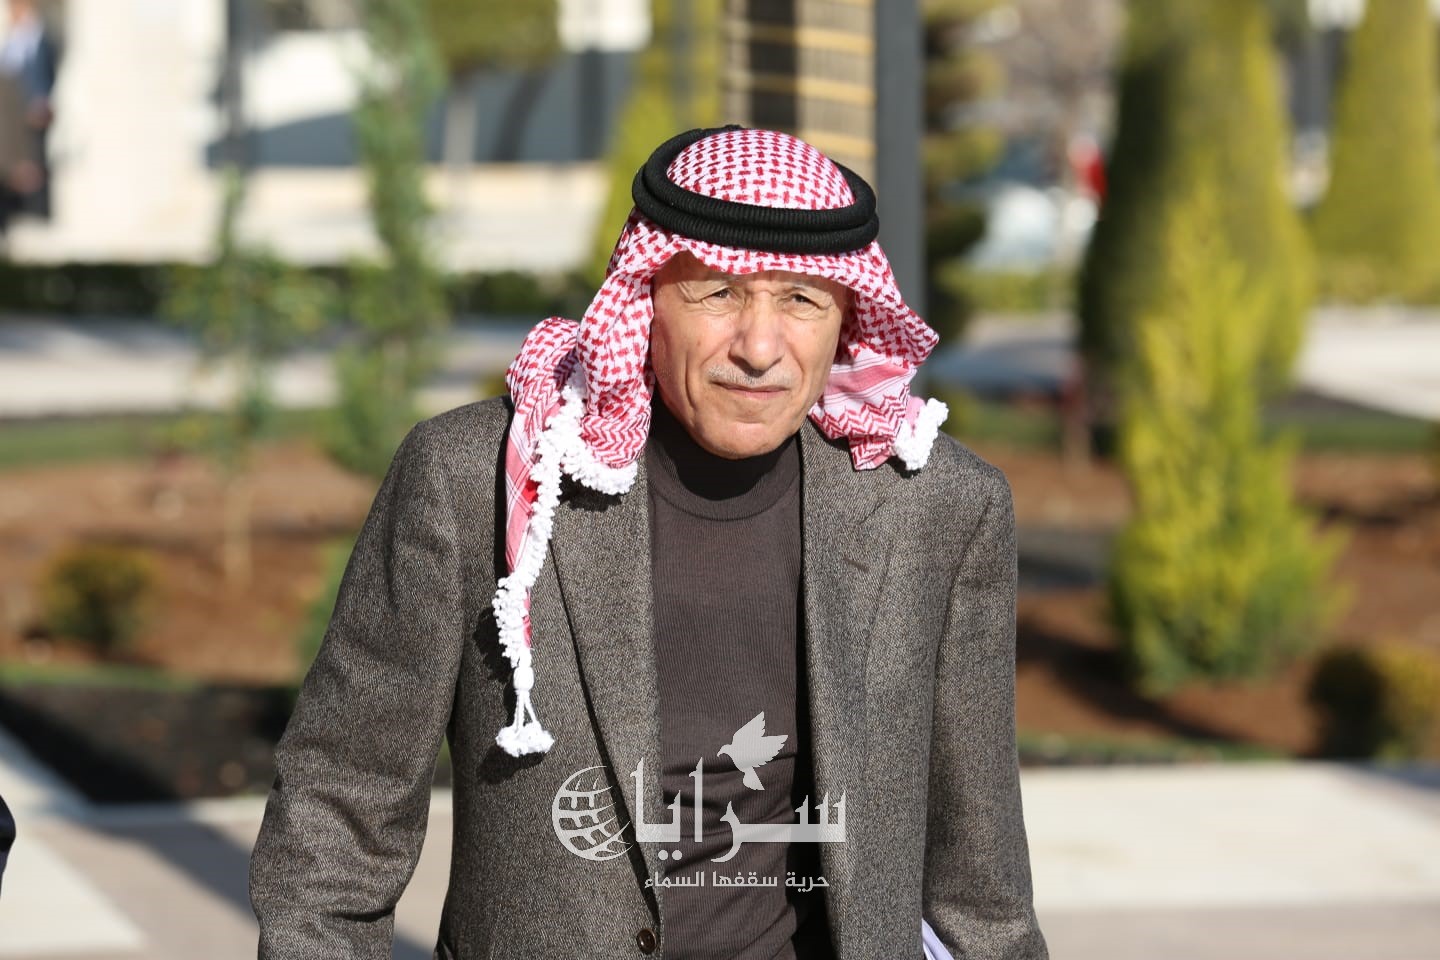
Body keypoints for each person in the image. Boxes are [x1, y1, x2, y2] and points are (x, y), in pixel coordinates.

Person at [249, 125, 1047, 960]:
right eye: (719, 294)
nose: (760, 348)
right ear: (646, 296)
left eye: (801, 301)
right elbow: (340, 808)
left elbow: (980, 882)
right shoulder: (479, 481)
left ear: (848, 316)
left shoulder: (938, 508)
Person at [0, 0, 56, 223]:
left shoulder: (43, 39)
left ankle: (36, 213)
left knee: (34, 167)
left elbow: (46, 74)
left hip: (35, 114)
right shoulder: (12, 41)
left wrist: (41, 101)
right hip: (12, 117)